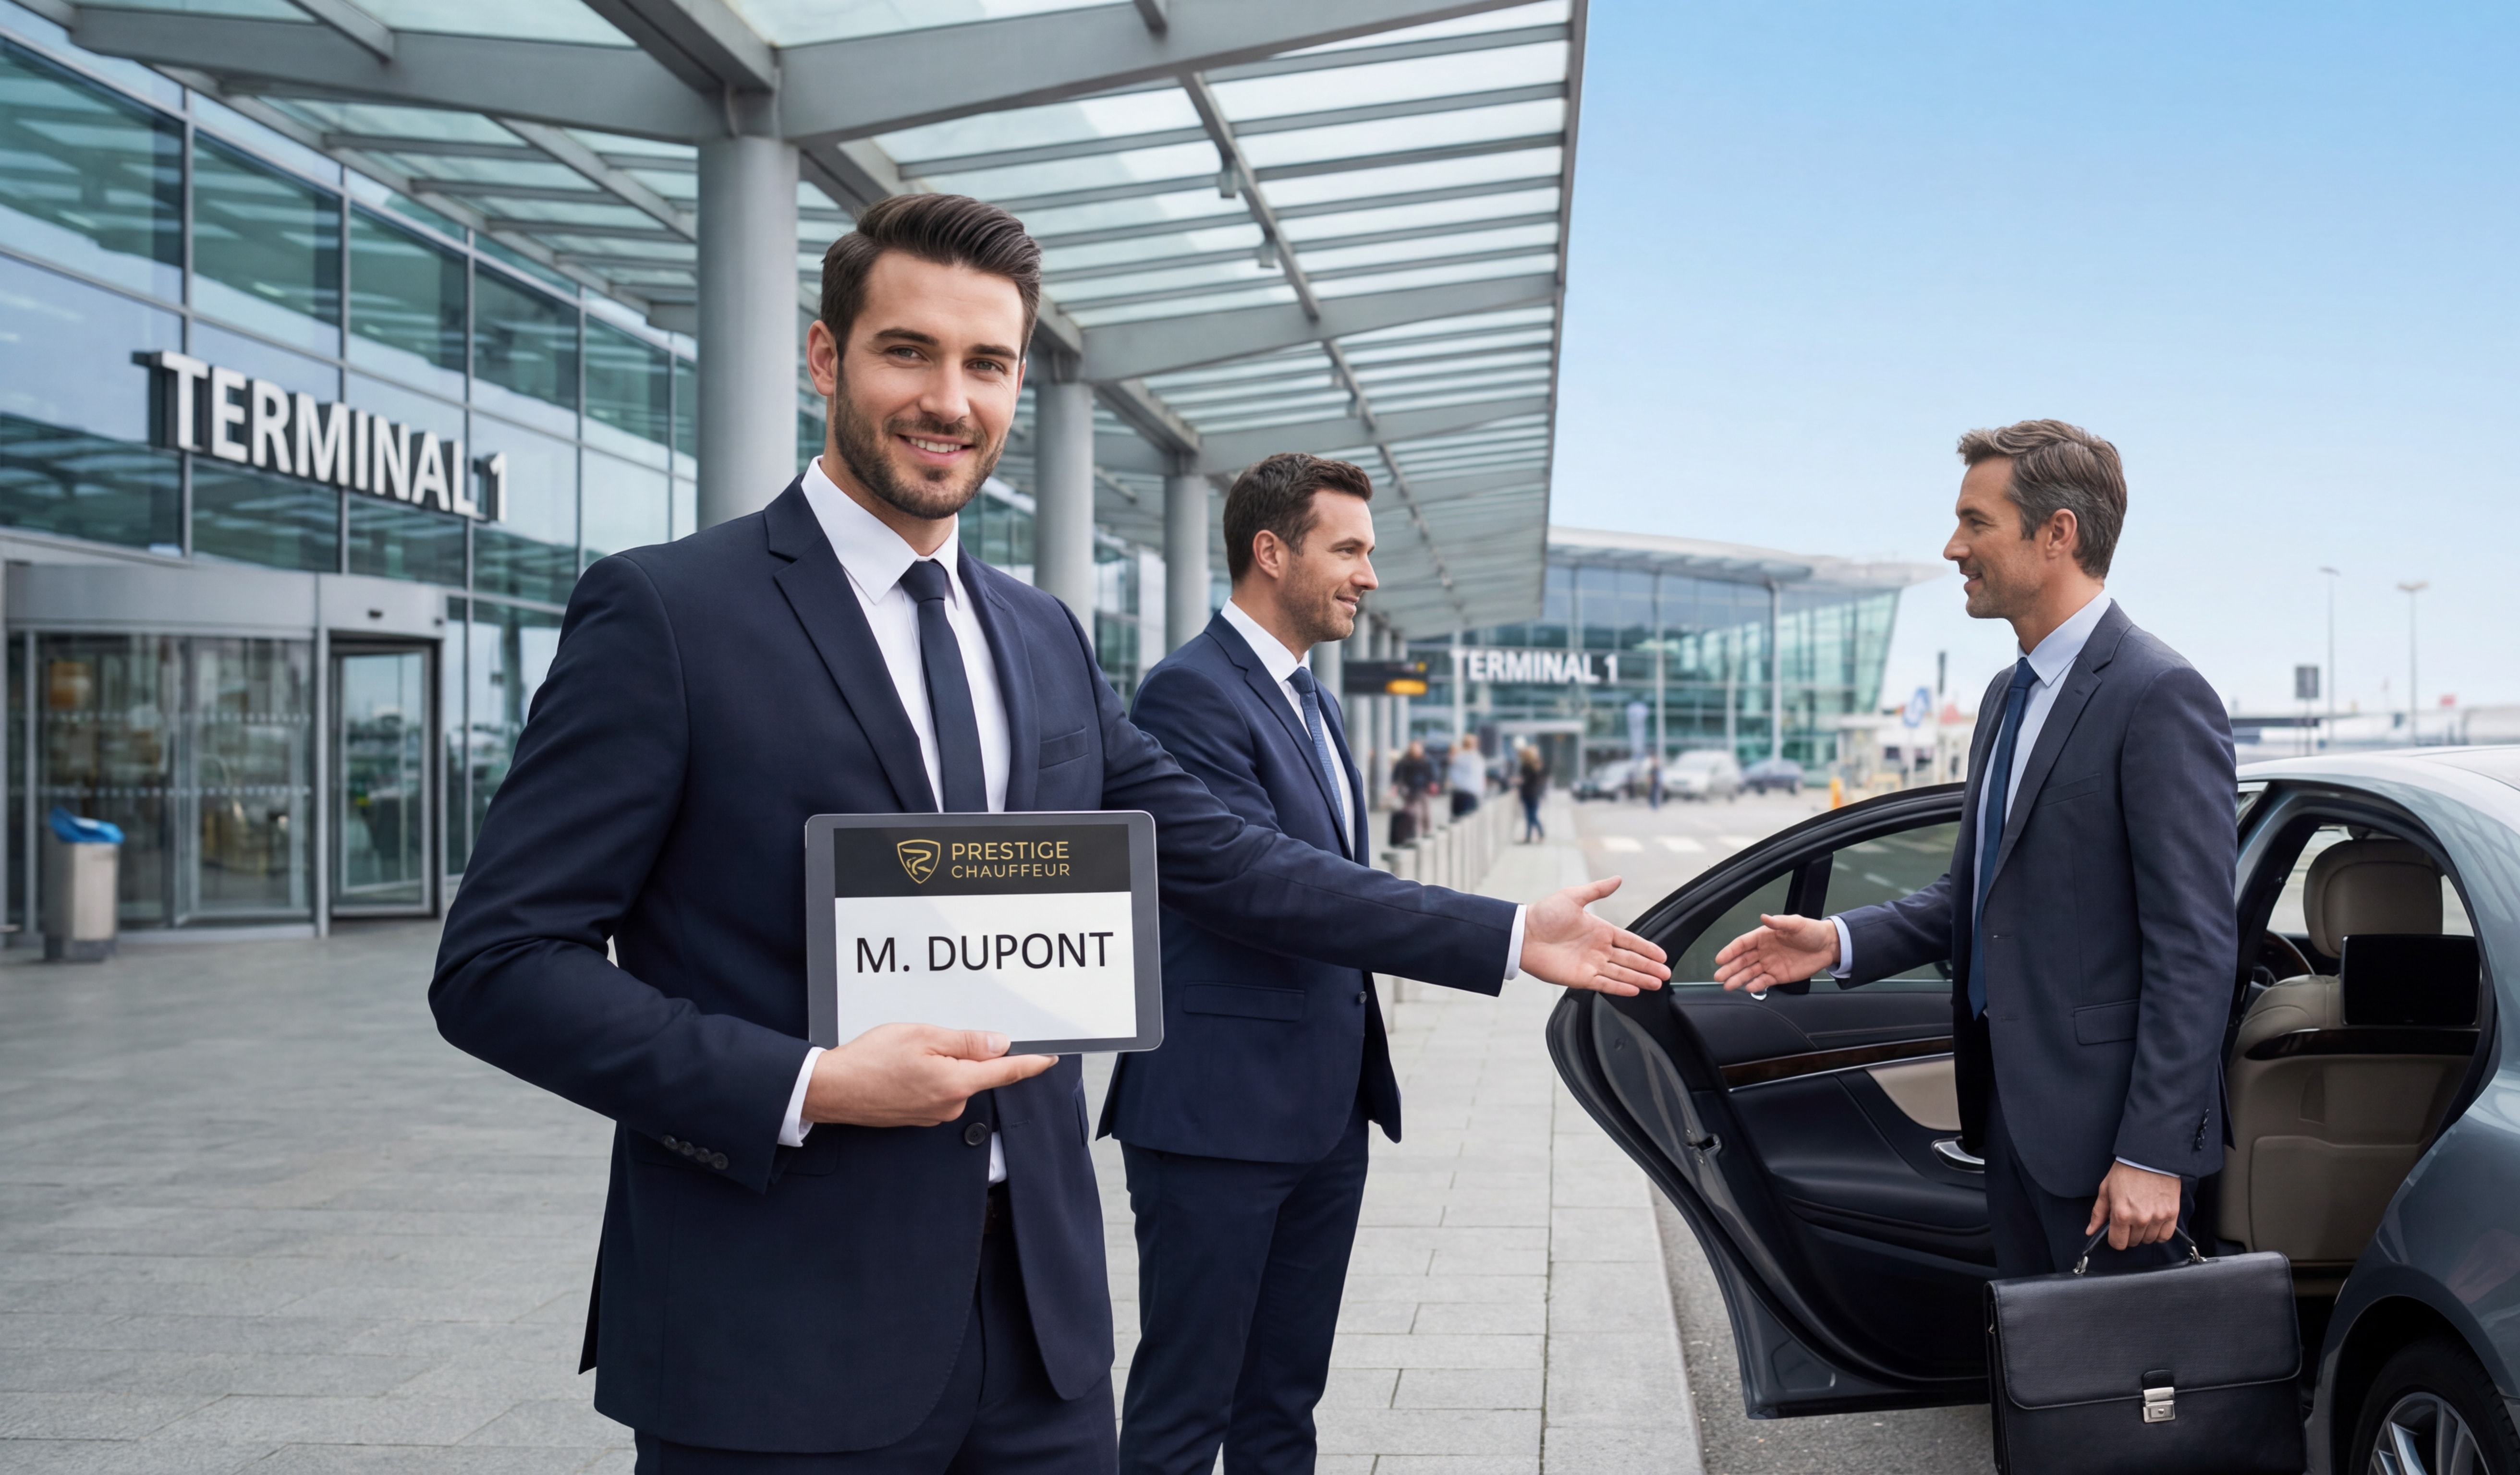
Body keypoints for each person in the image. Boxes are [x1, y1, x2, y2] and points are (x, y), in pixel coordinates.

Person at [428, 193, 1671, 1475]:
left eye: (987, 363)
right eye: (907, 351)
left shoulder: (1041, 635)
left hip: (1039, 1337)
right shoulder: (669, 613)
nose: (948, 400)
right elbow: (499, 966)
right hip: (776, 1332)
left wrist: (1504, 930)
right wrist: (810, 1084)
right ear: (824, 357)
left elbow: (1224, 856)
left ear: (1019, 381)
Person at [1102, 455, 1546, 1474]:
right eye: (1347, 550)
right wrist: (1508, 932)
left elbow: (1338, 883)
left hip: (1321, 1111)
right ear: (1271, 552)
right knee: (1184, 1412)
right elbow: (1266, 886)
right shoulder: (1189, 693)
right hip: (1218, 1118)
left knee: (1283, 1406)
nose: (1368, 577)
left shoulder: (1312, 698)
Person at [1715, 419, 2235, 1278]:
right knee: (2032, 1357)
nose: (1953, 547)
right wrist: (1838, 940)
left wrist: (2154, 1151)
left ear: (2057, 533)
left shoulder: (2158, 694)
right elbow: (1982, 893)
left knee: (2116, 1365)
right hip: (2011, 1122)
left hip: (2112, 1149)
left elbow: (2196, 946)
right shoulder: (2006, 695)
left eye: (1975, 522)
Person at [1390, 739, 1437, 846]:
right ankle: (1416, 835)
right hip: (1410, 791)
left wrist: (1433, 784)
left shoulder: (1425, 761)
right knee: (1415, 814)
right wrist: (1395, 787)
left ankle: (1427, 831)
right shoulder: (1405, 761)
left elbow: (1431, 775)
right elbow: (1397, 775)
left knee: (1426, 812)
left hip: (1423, 790)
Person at [1516, 745, 1549, 843]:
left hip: (1531, 794)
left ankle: (1540, 834)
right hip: (1532, 794)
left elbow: (1525, 780)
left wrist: (1517, 781)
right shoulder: (1535, 766)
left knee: (1532, 816)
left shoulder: (1529, 767)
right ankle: (1530, 836)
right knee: (1530, 816)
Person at [1448, 732, 1483, 818]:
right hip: (1470, 795)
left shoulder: (1457, 758)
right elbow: (1479, 781)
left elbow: (1451, 775)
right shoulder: (1477, 759)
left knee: (1457, 820)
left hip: (1458, 793)